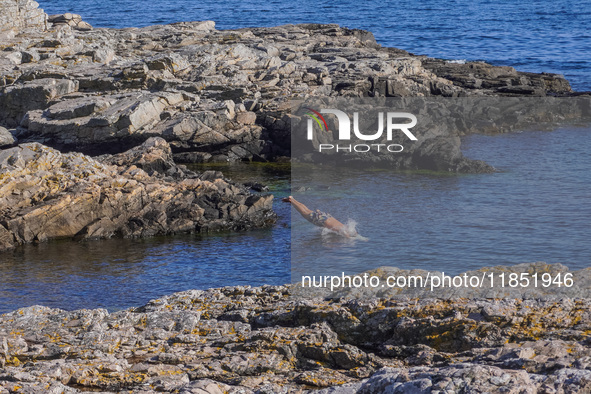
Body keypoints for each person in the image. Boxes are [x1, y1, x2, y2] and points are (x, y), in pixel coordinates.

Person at [282, 196, 358, 237]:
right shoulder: (343, 231)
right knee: (303, 213)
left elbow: (356, 233)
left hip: (326, 216)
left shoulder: (345, 226)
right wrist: (350, 240)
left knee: (307, 210)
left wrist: (362, 239)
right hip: (322, 220)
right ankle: (291, 200)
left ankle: (292, 199)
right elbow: (347, 236)